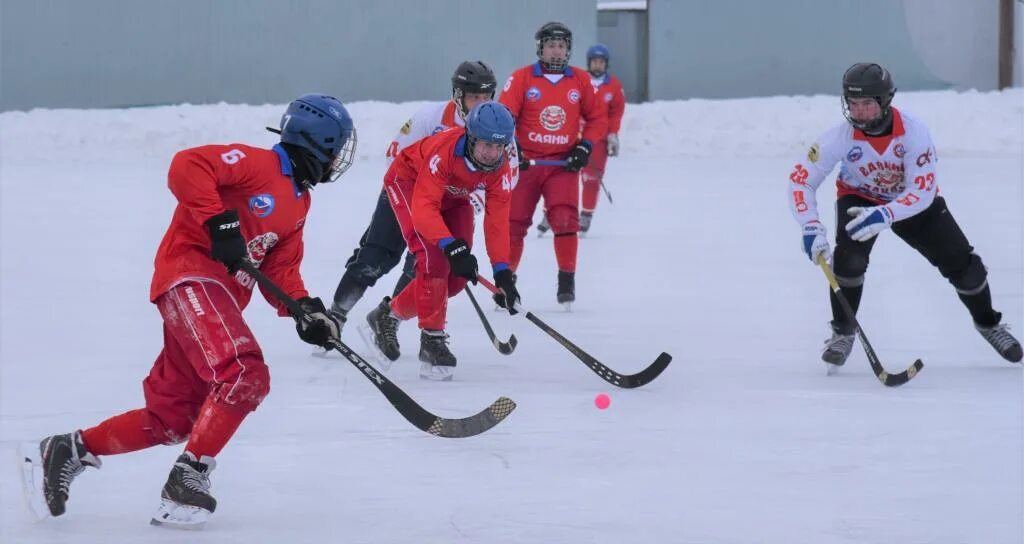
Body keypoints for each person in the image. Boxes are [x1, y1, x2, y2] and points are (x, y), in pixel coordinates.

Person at [21, 94, 357, 528]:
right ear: (319, 142)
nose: (337, 160)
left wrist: (304, 310)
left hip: (217, 302)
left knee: (174, 418)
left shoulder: (299, 203)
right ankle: (189, 475)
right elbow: (187, 165)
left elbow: (280, 270)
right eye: (337, 149)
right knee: (245, 373)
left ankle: (68, 449)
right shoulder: (259, 164)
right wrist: (219, 221)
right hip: (190, 278)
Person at [787, 63, 1022, 368]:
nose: (859, 113)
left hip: (910, 202)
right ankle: (842, 332)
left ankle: (989, 324)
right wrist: (809, 225)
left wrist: (885, 213)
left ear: (885, 101)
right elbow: (801, 180)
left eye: (867, 104)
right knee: (849, 261)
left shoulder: (914, 133)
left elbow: (922, 191)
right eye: (853, 104)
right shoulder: (838, 137)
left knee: (964, 267)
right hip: (859, 198)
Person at [318, 62, 500, 356]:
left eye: (486, 97)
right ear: (458, 96)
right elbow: (396, 156)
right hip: (409, 192)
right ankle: (335, 315)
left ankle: (388, 319)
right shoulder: (430, 118)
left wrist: (462, 205)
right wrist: (421, 203)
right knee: (377, 257)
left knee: (424, 267)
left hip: (450, 202)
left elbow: (500, 176)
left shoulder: (496, 127)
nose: (480, 104)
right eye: (473, 97)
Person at [364, 101, 521, 381]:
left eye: (499, 146)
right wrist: (450, 245)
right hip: (409, 184)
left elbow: (497, 222)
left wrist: (502, 272)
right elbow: (424, 209)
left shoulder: (500, 168)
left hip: (454, 195)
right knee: (434, 258)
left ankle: (388, 315)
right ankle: (432, 341)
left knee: (456, 280)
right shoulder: (445, 151)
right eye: (486, 145)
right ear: (471, 138)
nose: (492, 154)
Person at [499, 21, 608, 305]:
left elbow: (597, 118)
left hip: (562, 165)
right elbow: (504, 116)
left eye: (561, 46)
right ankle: (506, 281)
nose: (556, 51)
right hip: (527, 164)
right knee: (514, 223)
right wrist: (513, 147)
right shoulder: (522, 78)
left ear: (568, 49)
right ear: (540, 48)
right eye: (550, 46)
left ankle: (566, 280)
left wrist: (585, 146)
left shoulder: (580, 80)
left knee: (565, 219)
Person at [538, 43, 625, 236]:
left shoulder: (614, 86)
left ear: (606, 64)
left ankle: (586, 214)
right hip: (572, 136)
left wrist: (613, 134)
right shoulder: (578, 79)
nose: (597, 65)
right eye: (594, 61)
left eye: (601, 62)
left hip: (598, 139)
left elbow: (616, 113)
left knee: (591, 178)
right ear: (589, 62)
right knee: (561, 176)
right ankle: (551, 212)